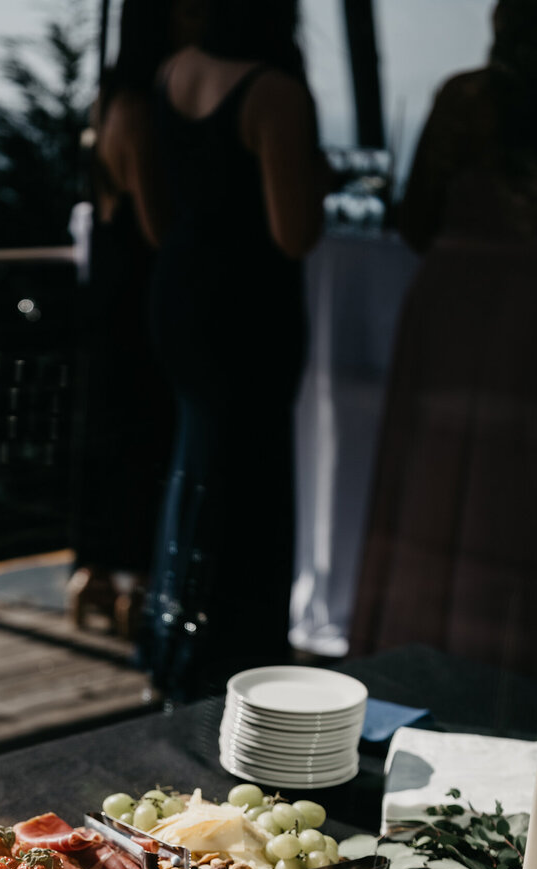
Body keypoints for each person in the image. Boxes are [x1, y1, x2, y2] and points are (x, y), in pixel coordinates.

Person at [349, 0, 537, 685]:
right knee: (522, 498)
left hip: (451, 307)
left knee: (431, 482)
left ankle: (411, 653)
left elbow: (416, 216)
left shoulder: (462, 97)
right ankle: (508, 669)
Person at [134, 0, 329, 700]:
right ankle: (235, 658)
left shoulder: (171, 74)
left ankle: (175, 640)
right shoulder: (272, 94)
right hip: (249, 310)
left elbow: (154, 210)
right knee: (251, 482)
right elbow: (294, 231)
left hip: (180, 288)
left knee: (196, 464)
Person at [69, 0, 180, 638]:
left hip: (108, 289)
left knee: (107, 432)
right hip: (139, 290)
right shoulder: (140, 113)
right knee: (143, 434)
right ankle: (135, 581)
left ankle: (93, 570)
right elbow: (158, 225)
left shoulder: (108, 105)